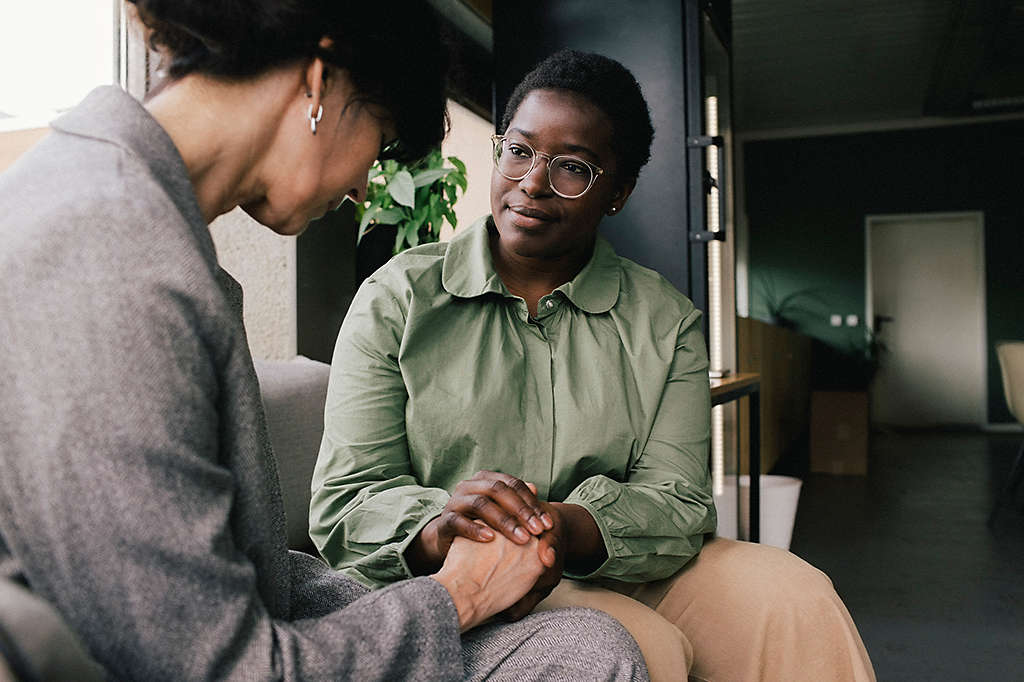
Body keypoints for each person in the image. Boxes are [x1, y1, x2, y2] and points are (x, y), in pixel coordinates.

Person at [0, 4, 650, 679]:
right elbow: (214, 665)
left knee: (586, 648)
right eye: (382, 136)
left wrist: (416, 591)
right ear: (320, 82)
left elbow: (224, 562)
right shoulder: (103, 255)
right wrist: (461, 593)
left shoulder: (140, 221)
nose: (364, 188)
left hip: (257, 624)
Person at [310, 49, 877, 681]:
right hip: (457, 577)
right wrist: (444, 528)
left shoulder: (668, 323)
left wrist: (565, 527)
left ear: (618, 192)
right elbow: (347, 500)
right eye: (518, 151)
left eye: (573, 167)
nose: (531, 183)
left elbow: (681, 502)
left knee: (796, 597)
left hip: (612, 563)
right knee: (640, 644)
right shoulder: (397, 298)